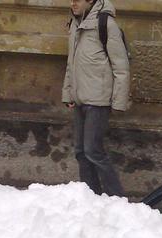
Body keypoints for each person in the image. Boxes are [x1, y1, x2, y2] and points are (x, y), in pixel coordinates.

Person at [62, 0, 129, 197]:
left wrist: (118, 102)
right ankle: (91, 196)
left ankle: (117, 197)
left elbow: (121, 67)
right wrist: (68, 93)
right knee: (81, 152)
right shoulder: (75, 24)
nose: (72, 3)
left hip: (98, 100)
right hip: (80, 98)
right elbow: (71, 63)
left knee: (93, 151)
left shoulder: (106, 24)